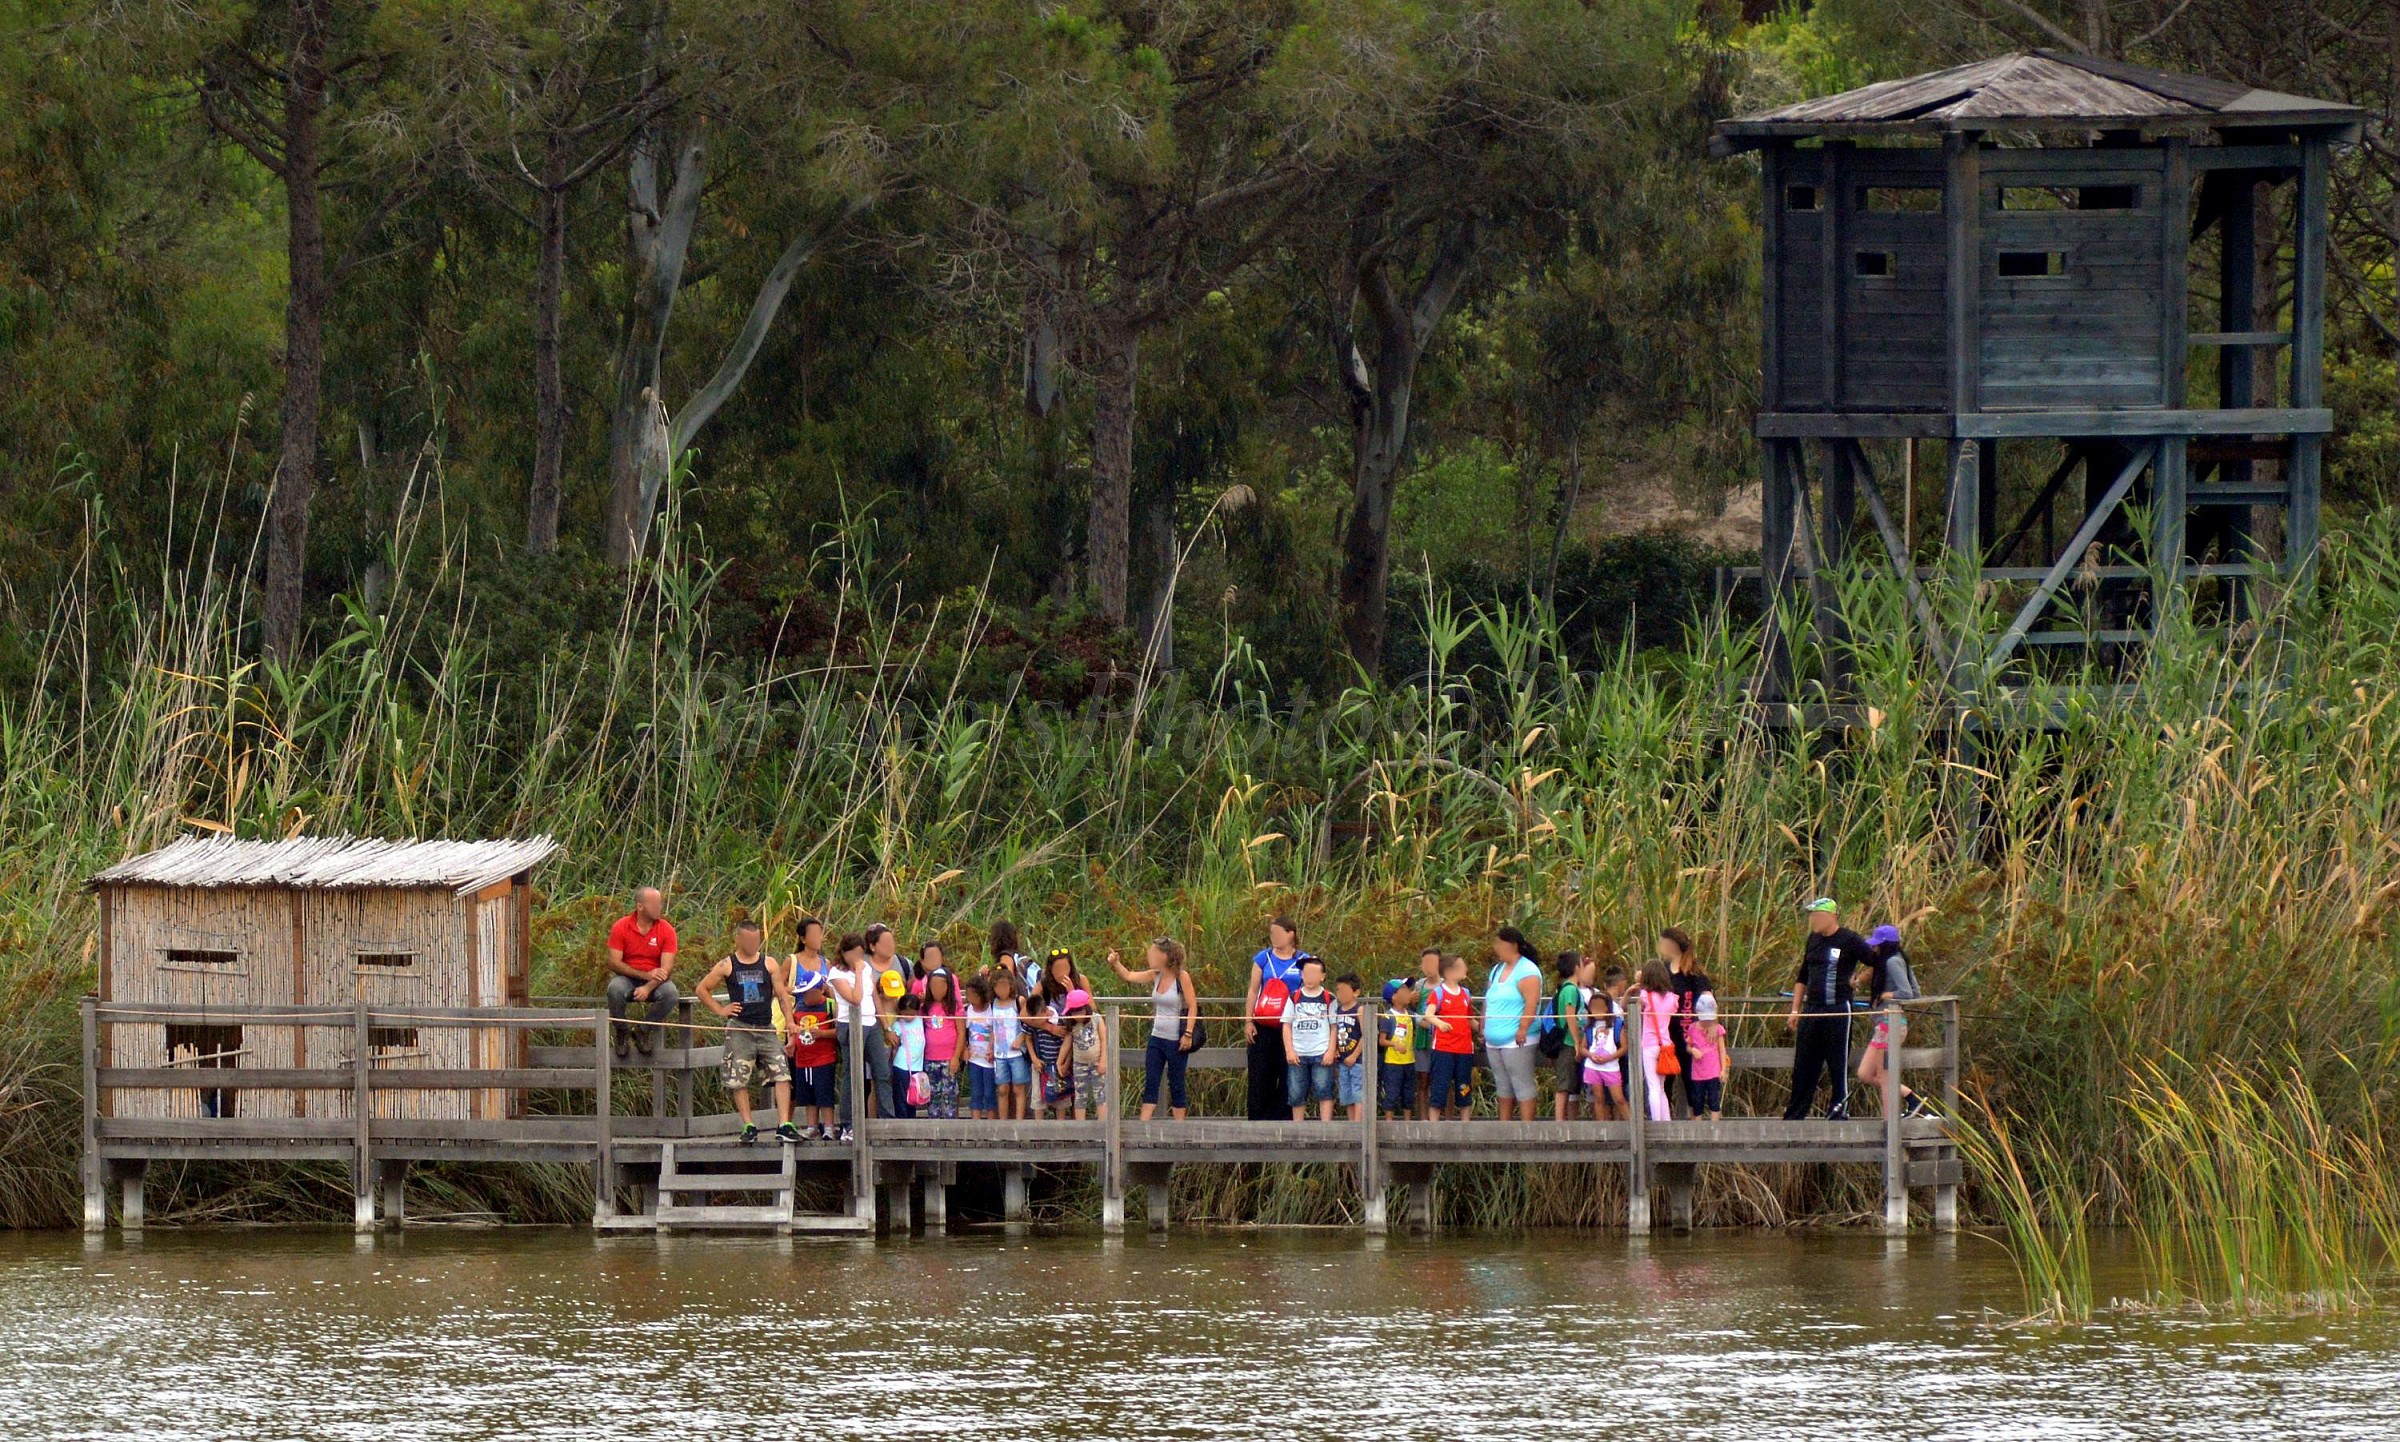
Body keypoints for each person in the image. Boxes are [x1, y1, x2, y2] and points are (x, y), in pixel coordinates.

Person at [695, 920, 798, 1144]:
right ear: (739, 939)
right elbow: (702, 989)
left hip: (765, 1027)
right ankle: (749, 1125)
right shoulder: (727, 965)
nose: (754, 944)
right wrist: (721, 1010)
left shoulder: (769, 963)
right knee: (738, 1077)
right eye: (749, 940)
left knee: (781, 1072)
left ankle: (783, 1124)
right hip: (740, 1027)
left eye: (757, 939)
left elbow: (781, 995)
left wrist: (789, 1021)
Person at [1784, 897, 1868, 1121]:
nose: (1813, 920)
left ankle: (1839, 1109)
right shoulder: (1813, 939)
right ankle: (1795, 1114)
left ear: (1831, 916)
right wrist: (1795, 1009)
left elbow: (1876, 962)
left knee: (1837, 1062)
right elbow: (1803, 976)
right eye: (1811, 915)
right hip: (1812, 1008)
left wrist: (1859, 979)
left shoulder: (1849, 939)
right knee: (1804, 1062)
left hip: (1838, 1008)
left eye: (1816, 915)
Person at [1111, 940, 1197, 1121]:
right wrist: (1116, 963)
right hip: (1157, 1038)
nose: (1149, 956)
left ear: (1164, 956)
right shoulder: (1154, 975)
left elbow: (1192, 1006)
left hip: (1176, 1040)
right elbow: (1129, 976)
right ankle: (1144, 1128)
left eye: (1153, 953)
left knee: (1177, 1085)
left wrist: (1188, 1033)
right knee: (1151, 1083)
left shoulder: (1182, 977)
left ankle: (1179, 1131)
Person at [1856, 923, 1928, 1117]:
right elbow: (1916, 991)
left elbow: (1908, 992)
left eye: (1877, 945)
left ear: (1885, 945)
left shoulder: (1892, 962)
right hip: (1883, 1026)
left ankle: (1889, 1123)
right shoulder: (1898, 959)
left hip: (1891, 1027)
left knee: (1883, 1075)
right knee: (1865, 1074)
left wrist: (1888, 994)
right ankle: (1912, 1099)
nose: (1874, 948)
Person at [604, 886, 680, 1060]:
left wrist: (648, 987)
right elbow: (614, 962)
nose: (659, 907)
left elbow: (667, 968)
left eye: (660, 903)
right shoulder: (621, 926)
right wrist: (644, 976)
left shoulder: (667, 929)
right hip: (628, 977)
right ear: (640, 907)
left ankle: (643, 1030)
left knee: (671, 993)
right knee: (614, 989)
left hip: (657, 981)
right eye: (654, 904)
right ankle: (622, 1031)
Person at [830, 932, 893, 1139]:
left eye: (861, 954)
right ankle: (848, 1122)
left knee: (882, 1071)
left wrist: (886, 1027)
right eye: (854, 954)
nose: (858, 958)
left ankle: (888, 1120)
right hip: (851, 1025)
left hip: (870, 1023)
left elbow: (874, 998)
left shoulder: (866, 970)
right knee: (852, 1073)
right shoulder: (837, 974)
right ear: (844, 953)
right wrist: (857, 972)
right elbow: (855, 998)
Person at [1244, 917, 1306, 1122]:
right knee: (1261, 1073)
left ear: (1291, 934)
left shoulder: (1304, 959)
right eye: (1272, 933)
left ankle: (1284, 1121)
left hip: (1291, 1025)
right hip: (1264, 1022)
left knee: (1288, 1073)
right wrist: (1248, 1020)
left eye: (1278, 932)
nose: (1274, 937)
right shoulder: (1263, 957)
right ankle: (1258, 1120)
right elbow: (1253, 990)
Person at [1483, 925, 1544, 1122]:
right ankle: (1504, 1128)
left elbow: (1531, 1002)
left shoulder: (1527, 971)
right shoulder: (1496, 970)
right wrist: (1483, 1026)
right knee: (1502, 1084)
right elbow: (1488, 999)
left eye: (1499, 943)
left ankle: (1526, 1130)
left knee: (1521, 1083)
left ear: (1512, 945)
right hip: (1494, 1038)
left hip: (1517, 1039)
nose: (1496, 947)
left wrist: (1523, 1028)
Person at [784, 926, 839, 1139]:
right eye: (814, 933)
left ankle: (828, 1127)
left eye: (821, 933)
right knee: (802, 1089)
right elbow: (777, 987)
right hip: (802, 1043)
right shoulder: (793, 961)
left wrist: (827, 991)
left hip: (824, 1052)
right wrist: (798, 989)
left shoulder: (826, 964)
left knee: (824, 1091)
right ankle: (804, 1125)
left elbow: (839, 1021)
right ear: (803, 938)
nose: (819, 938)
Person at [1657, 927, 1709, 1116]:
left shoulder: (1693, 970)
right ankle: (1665, 1121)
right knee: (1666, 1078)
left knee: (1691, 1079)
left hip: (1689, 1034)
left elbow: (1707, 996)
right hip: (1666, 1035)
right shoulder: (1662, 970)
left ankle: (1697, 1122)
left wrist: (1708, 1024)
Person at [1282, 957, 1338, 1121]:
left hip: (1321, 1051)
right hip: (1298, 1052)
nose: (1309, 976)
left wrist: (1330, 1050)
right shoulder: (1294, 997)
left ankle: (1325, 1130)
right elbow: (1286, 1025)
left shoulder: (1329, 998)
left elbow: (1334, 1026)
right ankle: (1298, 1130)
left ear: (1322, 976)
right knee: (1296, 1093)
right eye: (1305, 972)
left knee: (1324, 1091)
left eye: (1313, 972)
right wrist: (1289, 1050)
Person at [1026, 949, 1078, 1119]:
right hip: (1045, 1044)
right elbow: (1025, 1014)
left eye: (1065, 968)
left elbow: (1088, 1011)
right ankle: (1039, 1133)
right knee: (1039, 1095)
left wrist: (1071, 991)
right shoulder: (1043, 985)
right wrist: (1049, 1027)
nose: (1061, 973)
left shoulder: (1079, 981)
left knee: (1066, 1093)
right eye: (1057, 969)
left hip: (1073, 1041)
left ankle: (1070, 1130)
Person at [1425, 954, 1476, 1120]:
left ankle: (1465, 1123)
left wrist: (1483, 1029)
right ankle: (1434, 1125)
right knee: (1440, 1085)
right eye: (1460, 966)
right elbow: (1428, 1014)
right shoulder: (1438, 993)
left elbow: (1470, 1020)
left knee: (1464, 1086)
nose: (1465, 969)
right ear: (1448, 971)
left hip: (1464, 1048)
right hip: (1443, 1048)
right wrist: (1440, 1024)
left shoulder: (1466, 994)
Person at [1579, 965, 1630, 1121]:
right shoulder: (1589, 1027)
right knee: (1599, 1098)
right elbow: (1582, 1047)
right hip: (1593, 1065)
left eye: (1601, 1008)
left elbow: (1624, 1046)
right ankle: (1603, 1130)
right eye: (1594, 1008)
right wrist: (1590, 1055)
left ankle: (1632, 1127)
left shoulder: (1616, 1025)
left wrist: (1610, 1057)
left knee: (1619, 1098)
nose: (1597, 1011)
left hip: (1611, 1065)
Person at [1634, 960, 1677, 1123]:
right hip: (1666, 1045)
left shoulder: (1645, 995)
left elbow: (1635, 1006)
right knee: (1661, 1088)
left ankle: (1656, 1122)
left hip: (1650, 1044)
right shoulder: (1672, 998)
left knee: (1652, 1086)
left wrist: (1639, 982)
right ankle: (1666, 1122)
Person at [1548, 950, 1588, 1121]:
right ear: (1576, 968)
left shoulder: (1568, 988)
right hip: (1568, 1041)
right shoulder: (1570, 990)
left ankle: (1564, 1119)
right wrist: (1578, 1041)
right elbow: (1570, 1015)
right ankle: (1559, 1121)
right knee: (1564, 1083)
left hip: (1571, 1041)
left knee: (1570, 1082)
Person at [919, 966, 963, 1120]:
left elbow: (961, 1032)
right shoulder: (925, 1007)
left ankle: (949, 1128)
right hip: (930, 1058)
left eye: (941, 986)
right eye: (934, 987)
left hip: (948, 1058)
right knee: (932, 1093)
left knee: (949, 1093)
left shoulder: (955, 1007)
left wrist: (956, 1057)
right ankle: (933, 1126)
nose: (937, 990)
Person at [989, 966, 1031, 1120]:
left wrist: (1021, 1038)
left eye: (1004, 986)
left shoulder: (1018, 1001)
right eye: (997, 986)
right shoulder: (993, 1003)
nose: (1001, 990)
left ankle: (1019, 1122)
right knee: (1002, 1088)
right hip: (1000, 1053)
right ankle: (1003, 1123)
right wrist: (990, 1048)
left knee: (1018, 1088)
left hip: (1016, 1052)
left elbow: (1028, 1023)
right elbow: (993, 1027)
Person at [1062, 989, 1109, 1121]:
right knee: (1080, 1095)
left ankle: (1102, 1128)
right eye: (1072, 1012)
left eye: (1077, 1011)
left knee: (1100, 1095)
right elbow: (1067, 1043)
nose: (1075, 1015)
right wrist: (1061, 1061)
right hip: (1079, 1063)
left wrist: (1103, 1060)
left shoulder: (1096, 1019)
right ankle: (1080, 1129)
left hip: (1097, 1062)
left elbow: (1105, 1039)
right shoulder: (1072, 1024)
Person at [1378, 978, 1418, 1119]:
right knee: (1392, 1093)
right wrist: (1394, 1044)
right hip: (1392, 1063)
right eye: (1404, 990)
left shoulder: (1411, 1015)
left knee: (1409, 1094)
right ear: (1394, 996)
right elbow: (1382, 1040)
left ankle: (1407, 1123)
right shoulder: (1388, 1016)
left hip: (1409, 1061)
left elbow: (1424, 1022)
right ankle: (1389, 1122)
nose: (1408, 993)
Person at [962, 974, 1000, 1120]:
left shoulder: (992, 1010)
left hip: (989, 1059)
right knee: (976, 1092)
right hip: (974, 1059)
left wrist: (992, 1049)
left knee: (990, 1093)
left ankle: (991, 1125)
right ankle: (975, 1124)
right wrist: (965, 1049)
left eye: (973, 996)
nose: (971, 999)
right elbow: (965, 1033)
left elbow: (994, 1031)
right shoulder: (968, 1011)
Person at [1686, 991, 1728, 1122]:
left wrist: (1723, 1069)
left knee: (1713, 1100)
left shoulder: (1718, 1029)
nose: (1707, 1021)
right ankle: (1698, 1130)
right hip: (1698, 1074)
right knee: (1697, 1101)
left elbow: (1722, 1050)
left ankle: (1714, 1128)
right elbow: (1688, 1046)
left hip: (1713, 1072)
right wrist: (1693, 1050)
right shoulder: (1692, 1028)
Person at [1412, 947, 1443, 1118]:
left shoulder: (1446, 984)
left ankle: (1447, 1119)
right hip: (1422, 1038)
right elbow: (1412, 1010)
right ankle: (1423, 1119)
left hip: (1441, 1037)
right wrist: (1410, 1001)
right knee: (1422, 1080)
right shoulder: (1419, 985)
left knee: (1443, 1080)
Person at [1332, 973, 1367, 1122]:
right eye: (1338, 990)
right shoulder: (1337, 1011)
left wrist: (1354, 1055)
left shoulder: (1360, 1010)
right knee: (1346, 1095)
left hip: (1357, 1060)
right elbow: (1334, 1032)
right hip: (1342, 1060)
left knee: (1358, 1093)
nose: (1341, 994)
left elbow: (1367, 1034)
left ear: (1356, 992)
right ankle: (1351, 1125)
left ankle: (1359, 1124)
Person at [890, 994, 927, 1120]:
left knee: (914, 1097)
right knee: (901, 1097)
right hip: (902, 1065)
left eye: (911, 1013)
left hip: (917, 1066)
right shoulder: (898, 1025)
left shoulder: (921, 1019)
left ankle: (911, 1121)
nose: (908, 1016)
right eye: (905, 1013)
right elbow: (894, 1046)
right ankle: (902, 1121)